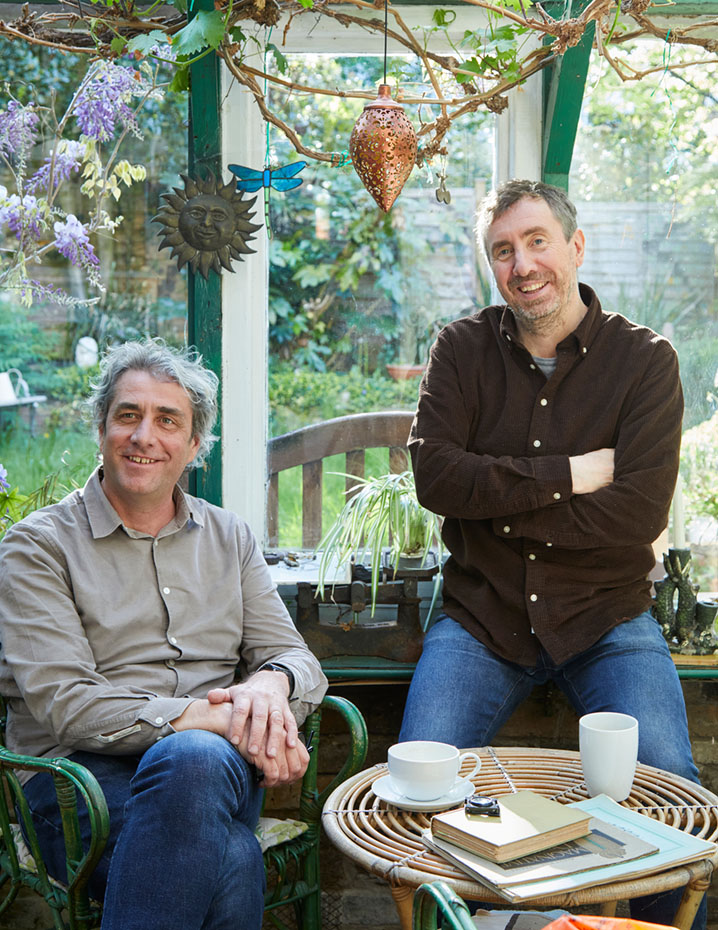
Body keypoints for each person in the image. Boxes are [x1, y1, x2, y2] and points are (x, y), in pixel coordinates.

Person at [399, 179, 701, 927]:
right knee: (412, 787)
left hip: (607, 621)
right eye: (502, 250)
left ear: (575, 248)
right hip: (481, 620)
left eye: (537, 242)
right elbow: (436, 477)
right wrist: (569, 475)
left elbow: (636, 514)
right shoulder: (461, 349)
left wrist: (496, 509)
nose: (522, 264)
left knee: (676, 797)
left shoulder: (645, 363)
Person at [0, 338, 327, 930]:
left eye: (167, 420)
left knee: (198, 760)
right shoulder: (37, 546)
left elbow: (295, 658)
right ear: (101, 427)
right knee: (232, 858)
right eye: (128, 415)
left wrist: (271, 689)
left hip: (215, 774)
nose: (143, 436)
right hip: (79, 787)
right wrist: (216, 718)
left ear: (195, 445)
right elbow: (66, 705)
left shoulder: (231, 538)